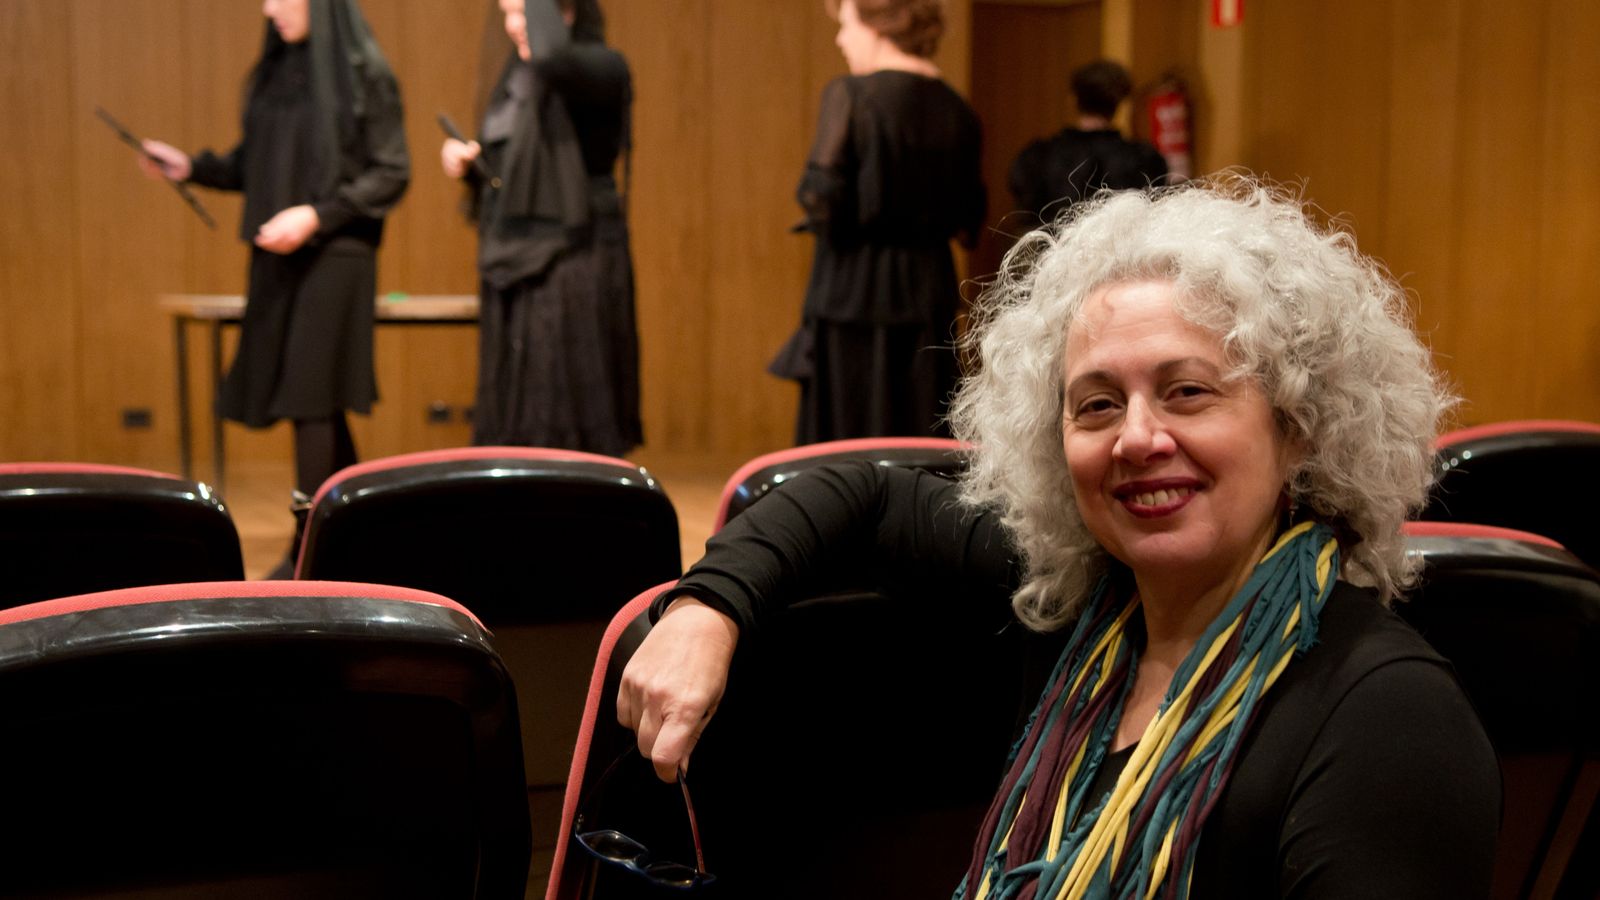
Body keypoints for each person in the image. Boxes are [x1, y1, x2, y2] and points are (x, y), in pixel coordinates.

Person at [617, 178, 1501, 897]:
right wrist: (706, 610)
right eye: (1097, 404)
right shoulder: (1081, 599)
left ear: (1298, 425)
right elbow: (862, 497)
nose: (1138, 438)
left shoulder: (1391, 717)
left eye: (1189, 391)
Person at [140, 0, 409, 577]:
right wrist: (192, 166)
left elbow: (391, 171)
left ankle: (306, 554)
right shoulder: (277, 71)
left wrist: (316, 215)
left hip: (336, 250)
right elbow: (257, 163)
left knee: (309, 399)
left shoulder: (366, 72)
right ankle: (360, 539)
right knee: (315, 406)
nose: (270, 8)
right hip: (279, 254)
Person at [769, 0, 986, 443]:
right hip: (928, 290)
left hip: (853, 290)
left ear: (878, 27)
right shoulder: (959, 111)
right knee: (920, 427)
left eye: (846, 25)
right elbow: (968, 220)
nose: (840, 38)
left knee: (848, 437)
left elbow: (821, 199)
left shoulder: (851, 95)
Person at [440, 0, 640, 455]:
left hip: (574, 258)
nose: (515, 26)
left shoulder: (602, 67)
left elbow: (554, 59)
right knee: (515, 414)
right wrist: (472, 167)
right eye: (507, 13)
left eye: (526, 9)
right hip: (515, 258)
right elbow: (516, 172)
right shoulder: (517, 79)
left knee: (565, 410)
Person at [1009, 59, 1167, 223]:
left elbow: (1026, 211)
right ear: (1118, 103)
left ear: (1073, 99)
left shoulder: (1037, 158)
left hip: (1054, 246)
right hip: (1116, 248)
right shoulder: (1143, 160)